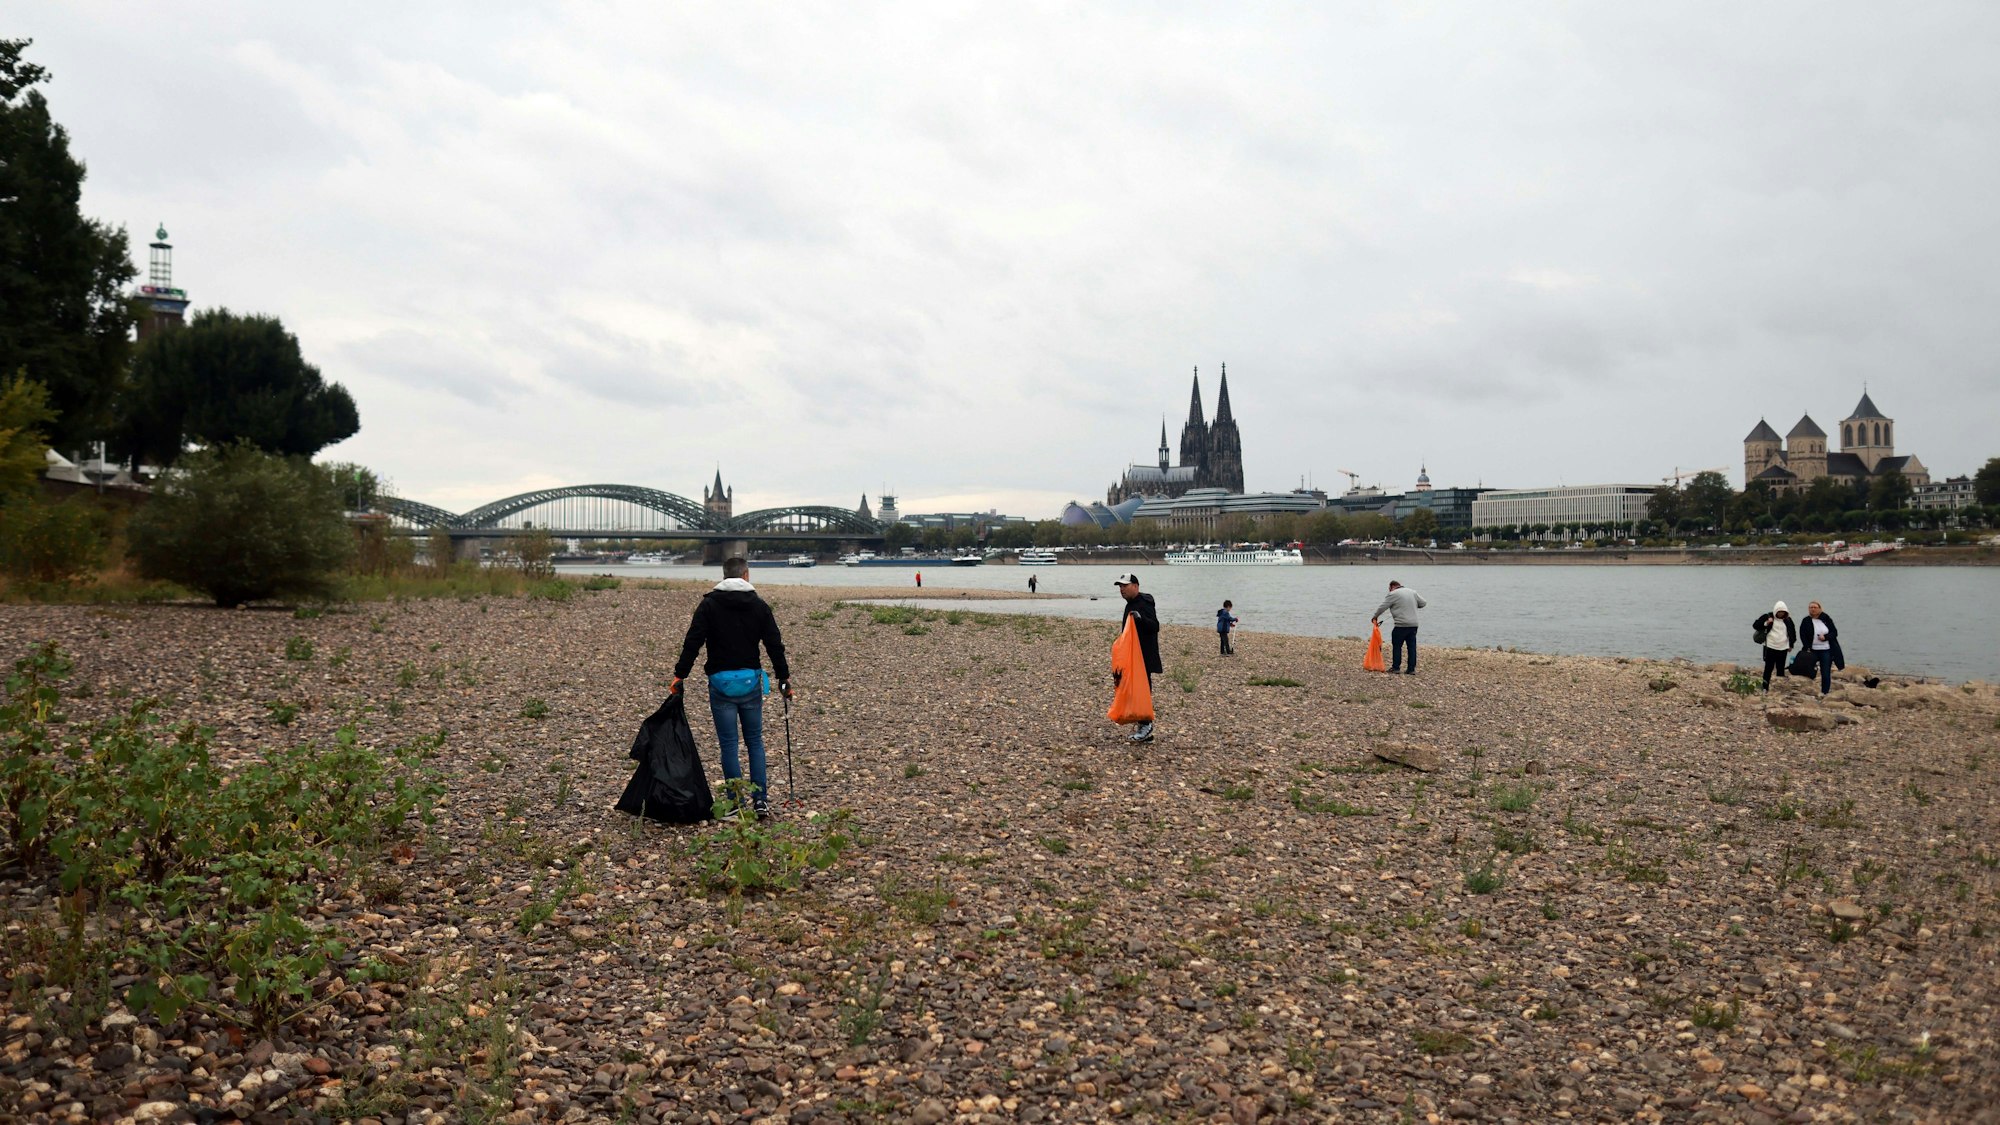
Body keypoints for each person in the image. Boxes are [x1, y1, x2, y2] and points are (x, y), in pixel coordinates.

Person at [671, 558, 791, 817]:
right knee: (755, 742)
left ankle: (736, 804)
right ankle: (760, 801)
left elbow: (693, 642)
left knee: (729, 745)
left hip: (720, 684)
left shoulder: (709, 605)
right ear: (746, 575)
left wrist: (680, 675)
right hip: (750, 682)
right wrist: (784, 679)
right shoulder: (759, 606)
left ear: (724, 575)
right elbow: (774, 645)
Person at [1113, 573, 1161, 742]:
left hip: (1143, 656)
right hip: (1132, 656)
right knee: (1133, 690)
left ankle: (1146, 725)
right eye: (1120, 586)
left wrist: (1141, 619)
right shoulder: (1130, 604)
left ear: (1135, 586)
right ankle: (1143, 725)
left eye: (1125, 586)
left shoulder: (1145, 602)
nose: (1121, 589)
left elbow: (1155, 626)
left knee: (1142, 690)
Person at [1371, 580, 1427, 675]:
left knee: (1397, 646)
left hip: (1401, 625)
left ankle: (1396, 667)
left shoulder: (1393, 594)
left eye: (1389, 589)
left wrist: (1375, 616)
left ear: (1391, 587)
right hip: (1413, 625)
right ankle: (1411, 669)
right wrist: (1412, 605)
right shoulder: (1412, 592)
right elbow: (1423, 603)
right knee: (1412, 647)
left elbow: (1383, 607)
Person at [1753, 601, 1796, 690]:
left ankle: (1780, 688)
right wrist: (1766, 623)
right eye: (1779, 612)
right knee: (1768, 668)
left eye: (1783, 612)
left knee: (1781, 668)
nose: (1780, 614)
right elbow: (1755, 625)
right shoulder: (1767, 616)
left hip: (1783, 647)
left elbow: (1792, 632)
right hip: (1770, 646)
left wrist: (1791, 644)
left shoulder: (1788, 620)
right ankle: (1765, 688)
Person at [1802, 600, 1839, 696]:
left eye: (1815, 607)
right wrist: (1807, 647)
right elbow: (1802, 635)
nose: (1813, 609)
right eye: (1811, 607)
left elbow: (1834, 633)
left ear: (1819, 609)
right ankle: (1807, 689)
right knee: (1806, 669)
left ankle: (1825, 692)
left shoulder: (1826, 619)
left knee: (1825, 671)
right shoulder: (1806, 620)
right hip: (1812, 649)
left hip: (1825, 649)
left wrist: (1825, 637)